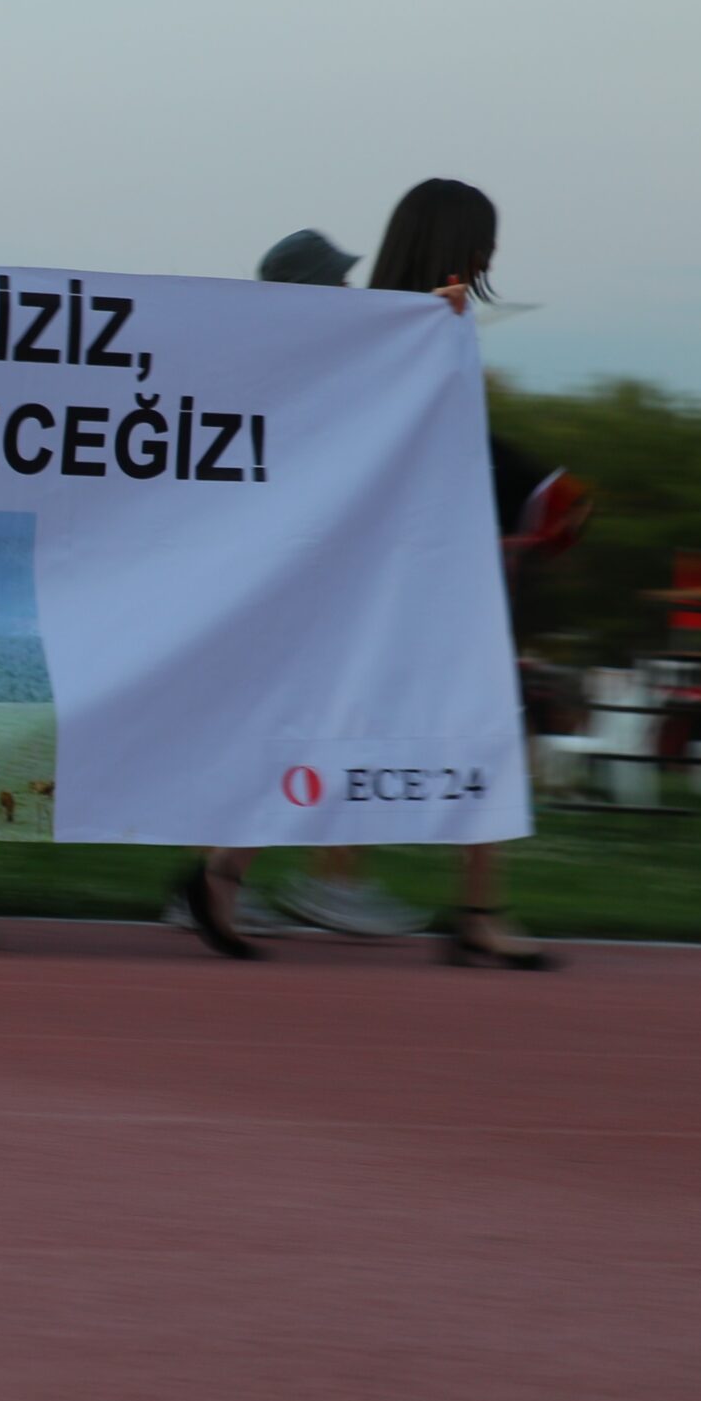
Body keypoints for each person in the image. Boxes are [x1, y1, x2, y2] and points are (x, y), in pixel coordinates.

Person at [179, 179, 557, 969]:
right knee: (434, 718)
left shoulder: (412, 322)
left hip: (413, 561)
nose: (490, 254)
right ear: (452, 239)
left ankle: (225, 870)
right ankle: (469, 913)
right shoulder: (401, 324)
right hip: (402, 566)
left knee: (418, 721)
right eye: (481, 238)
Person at [159, 228, 430, 943]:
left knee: (291, 732)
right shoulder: (288, 371)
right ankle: (227, 879)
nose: (350, 292)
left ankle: (218, 879)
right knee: (295, 729)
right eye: (336, 282)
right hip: (278, 585)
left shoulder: (289, 365)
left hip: (288, 580)